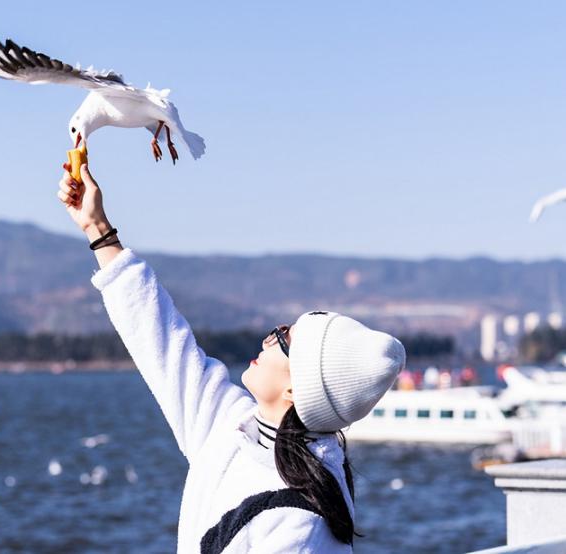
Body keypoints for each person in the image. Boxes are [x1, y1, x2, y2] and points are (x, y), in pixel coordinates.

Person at [57, 163, 406, 553]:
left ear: (296, 387)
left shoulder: (300, 522)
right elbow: (163, 343)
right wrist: (98, 229)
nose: (268, 339)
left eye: (283, 340)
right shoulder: (236, 427)